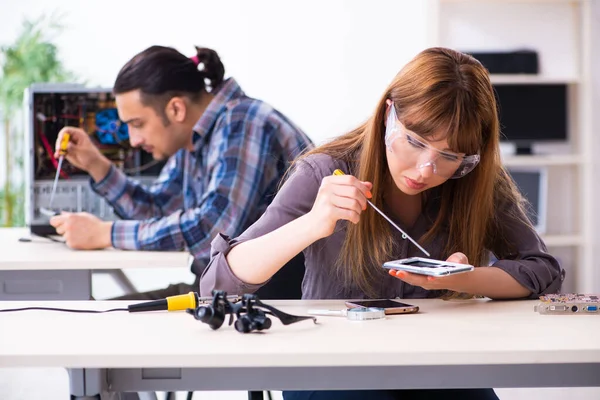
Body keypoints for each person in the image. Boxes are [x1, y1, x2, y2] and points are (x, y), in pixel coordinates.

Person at [200, 47, 564, 400]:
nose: (426, 170)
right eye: (415, 142)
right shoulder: (326, 170)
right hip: (330, 364)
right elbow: (217, 282)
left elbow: (543, 271)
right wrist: (312, 224)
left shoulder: (478, 182)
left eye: (450, 156)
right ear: (389, 113)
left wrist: (465, 278)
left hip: (434, 362)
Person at [50, 45, 313, 299]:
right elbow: (158, 210)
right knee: (102, 317)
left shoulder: (244, 123)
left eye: (137, 124)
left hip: (268, 302)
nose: (133, 140)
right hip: (222, 292)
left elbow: (211, 228)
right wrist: (96, 166)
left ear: (176, 109)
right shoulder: (193, 141)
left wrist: (104, 233)